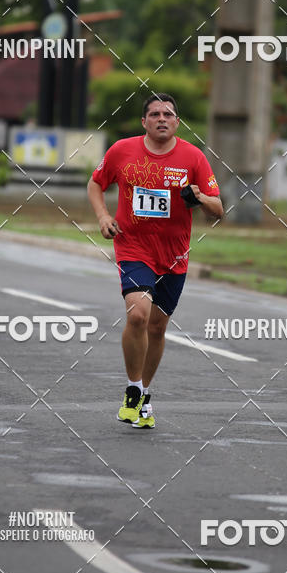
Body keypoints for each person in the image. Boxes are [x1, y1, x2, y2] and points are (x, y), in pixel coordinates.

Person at [87, 92, 223, 428]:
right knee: (138, 315)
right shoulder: (121, 151)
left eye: (168, 114)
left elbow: (218, 210)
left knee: (158, 327)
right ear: (144, 121)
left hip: (174, 253)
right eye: (155, 114)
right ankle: (132, 389)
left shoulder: (193, 157)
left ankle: (145, 395)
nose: (162, 118)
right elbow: (95, 183)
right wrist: (103, 216)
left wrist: (200, 197)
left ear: (177, 122)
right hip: (133, 246)